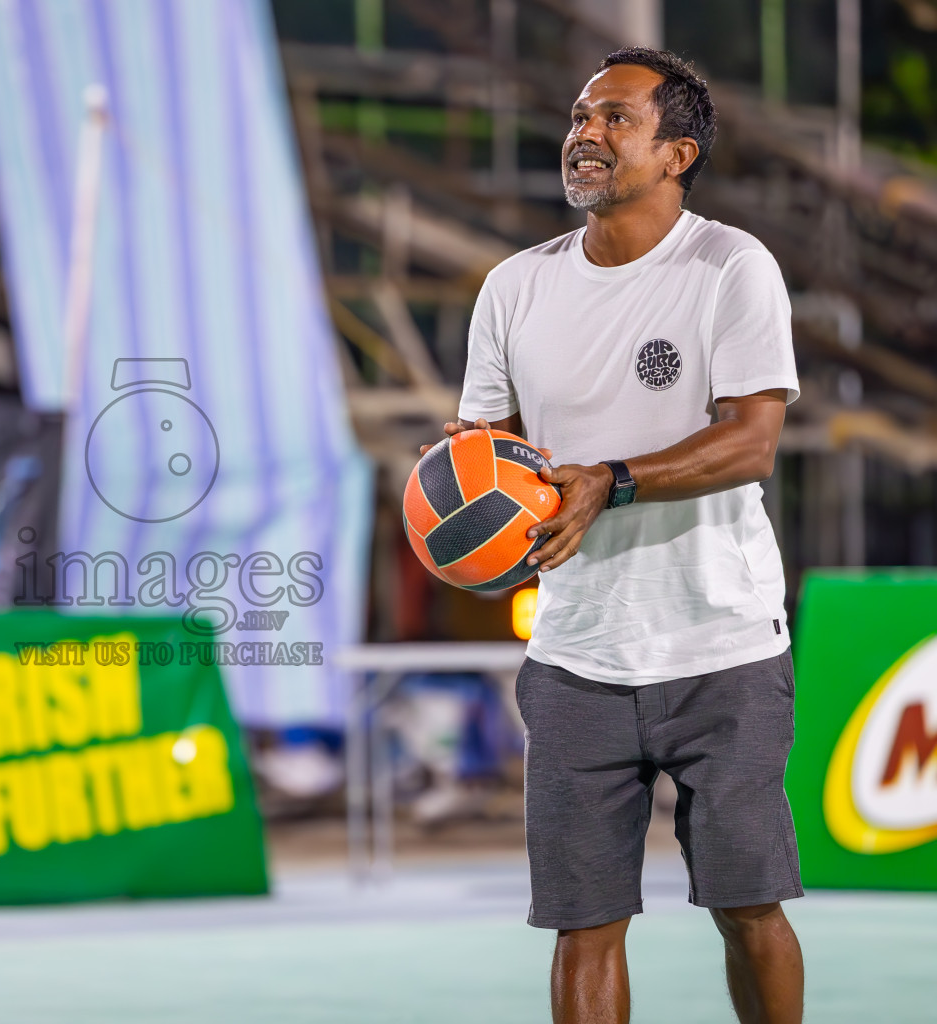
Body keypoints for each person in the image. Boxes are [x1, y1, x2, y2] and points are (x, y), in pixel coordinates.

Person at [442, 48, 804, 1023]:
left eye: (613, 120)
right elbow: (488, 445)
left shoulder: (730, 267)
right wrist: (471, 475)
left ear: (677, 151)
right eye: (577, 117)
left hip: (719, 647)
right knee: (585, 922)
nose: (583, 135)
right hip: (575, 654)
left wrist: (615, 479)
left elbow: (753, 440)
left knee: (746, 903)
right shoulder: (514, 288)